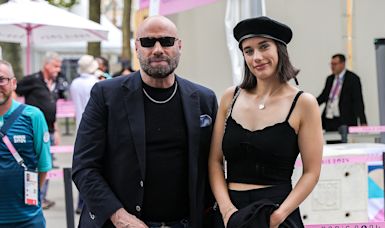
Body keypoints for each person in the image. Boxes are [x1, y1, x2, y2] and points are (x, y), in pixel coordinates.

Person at [72, 15, 218, 228]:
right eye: (148, 42)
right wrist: (120, 217)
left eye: (166, 41)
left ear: (179, 45)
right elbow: (84, 167)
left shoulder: (204, 99)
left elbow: (213, 166)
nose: (158, 49)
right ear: (136, 47)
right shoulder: (106, 95)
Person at [208, 16, 323, 228]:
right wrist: (226, 211)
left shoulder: (303, 104)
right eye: (248, 51)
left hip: (277, 212)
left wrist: (279, 216)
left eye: (264, 47)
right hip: (231, 214)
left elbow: (312, 172)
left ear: (280, 49)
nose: (257, 57)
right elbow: (215, 161)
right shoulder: (229, 98)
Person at [0, 60, 52, 227]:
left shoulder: (32, 116)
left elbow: (44, 165)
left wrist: (31, 198)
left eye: (2, 79)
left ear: (14, 83)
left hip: (27, 219)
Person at [15, 51, 62, 209]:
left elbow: (52, 106)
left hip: (49, 129)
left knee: (46, 164)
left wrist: (57, 129)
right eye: (55, 65)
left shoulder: (55, 82)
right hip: (32, 129)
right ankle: (34, 197)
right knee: (32, 163)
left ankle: (42, 196)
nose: (58, 69)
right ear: (46, 65)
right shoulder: (32, 80)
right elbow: (14, 90)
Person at [69, 54, 99, 214]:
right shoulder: (94, 83)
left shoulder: (75, 83)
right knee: (92, 167)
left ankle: (80, 203)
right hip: (93, 129)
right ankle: (86, 203)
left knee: (83, 165)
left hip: (80, 127)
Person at [317, 54, 367, 132]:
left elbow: (358, 101)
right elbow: (323, 96)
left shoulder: (353, 79)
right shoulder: (330, 79)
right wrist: (310, 104)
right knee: (331, 141)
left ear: (342, 64)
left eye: (335, 64)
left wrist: (363, 121)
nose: (332, 66)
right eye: (331, 64)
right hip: (330, 119)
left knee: (344, 142)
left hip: (344, 120)